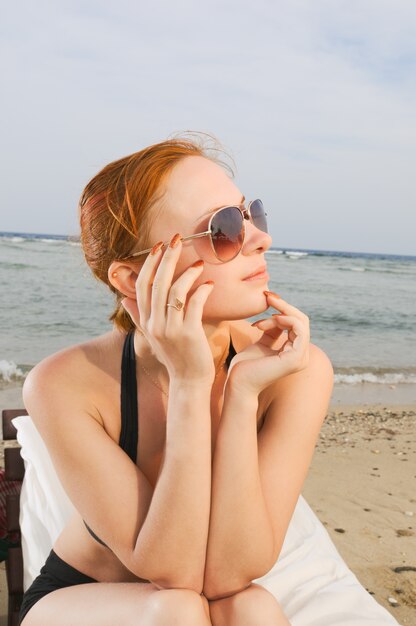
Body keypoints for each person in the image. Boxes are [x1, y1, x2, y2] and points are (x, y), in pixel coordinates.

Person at [19, 132, 334, 625]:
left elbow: (234, 574)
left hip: (201, 599)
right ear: (131, 278)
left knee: (254, 606)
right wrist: (189, 383)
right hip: (83, 597)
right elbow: (174, 573)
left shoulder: (296, 368)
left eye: (249, 213)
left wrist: (242, 394)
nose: (261, 238)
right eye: (223, 227)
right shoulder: (63, 384)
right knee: (177, 609)